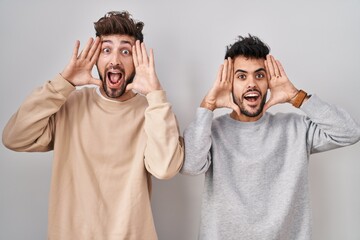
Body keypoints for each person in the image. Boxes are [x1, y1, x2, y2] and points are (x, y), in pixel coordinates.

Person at [2, 11, 184, 240]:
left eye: (125, 51)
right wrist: (63, 84)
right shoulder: (70, 104)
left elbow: (165, 169)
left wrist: (156, 96)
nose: (115, 60)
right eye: (106, 50)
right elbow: (14, 137)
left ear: (137, 61)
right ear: (96, 57)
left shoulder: (153, 111)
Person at [180, 35, 360, 239]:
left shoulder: (294, 128)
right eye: (241, 76)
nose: (251, 84)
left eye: (259, 75)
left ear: (269, 81)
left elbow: (349, 132)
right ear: (229, 82)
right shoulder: (212, 131)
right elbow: (189, 166)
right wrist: (208, 106)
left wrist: (296, 96)